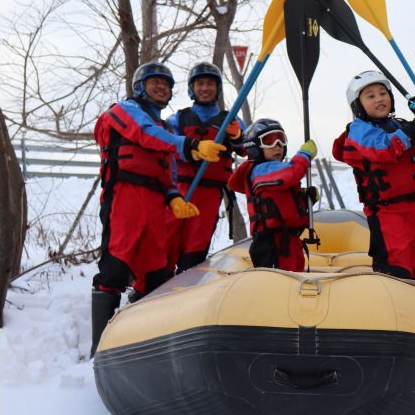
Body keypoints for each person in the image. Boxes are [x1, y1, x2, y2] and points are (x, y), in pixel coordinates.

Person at [90, 61, 226, 357]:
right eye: (155, 82)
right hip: (125, 198)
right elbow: (143, 133)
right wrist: (189, 144)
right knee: (115, 267)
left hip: (155, 205)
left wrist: (174, 198)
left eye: (166, 84)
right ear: (140, 87)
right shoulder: (123, 111)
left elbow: (169, 175)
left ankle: (139, 342)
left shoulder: (165, 129)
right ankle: (99, 347)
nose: (161, 87)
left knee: (155, 275)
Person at [332, 71, 415, 287]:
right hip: (387, 213)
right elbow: (382, 149)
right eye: (371, 96)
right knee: (397, 264)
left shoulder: (402, 127)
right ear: (357, 105)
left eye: (383, 93)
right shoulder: (359, 130)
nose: (379, 99)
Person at [163, 62, 245, 277]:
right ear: (192, 88)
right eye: (200, 83)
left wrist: (237, 136)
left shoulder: (231, 120)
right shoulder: (178, 119)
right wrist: (190, 150)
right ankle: (152, 285)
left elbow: (248, 147)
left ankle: (187, 285)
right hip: (179, 190)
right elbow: (166, 143)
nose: (205, 88)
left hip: (209, 194)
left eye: (210, 83)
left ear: (217, 89)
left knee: (195, 245)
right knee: (166, 239)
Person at [227, 118, 318, 272]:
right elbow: (292, 173)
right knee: (283, 283)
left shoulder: (273, 171)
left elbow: (281, 204)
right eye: (269, 141)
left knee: (296, 279)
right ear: (254, 147)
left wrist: (304, 200)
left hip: (289, 241)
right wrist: (304, 155)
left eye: (281, 140)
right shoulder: (261, 170)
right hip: (272, 244)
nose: (277, 146)